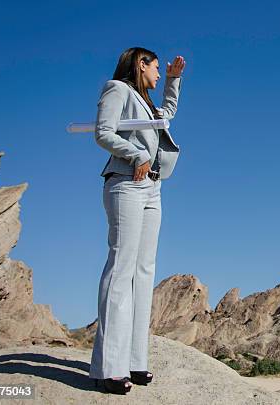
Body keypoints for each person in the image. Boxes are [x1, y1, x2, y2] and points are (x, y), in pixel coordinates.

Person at [88, 47, 186, 395]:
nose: (159, 74)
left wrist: (174, 81)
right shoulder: (117, 89)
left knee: (144, 272)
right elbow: (103, 132)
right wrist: (137, 153)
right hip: (126, 183)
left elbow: (165, 117)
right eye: (157, 68)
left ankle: (134, 360)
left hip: (152, 188)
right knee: (121, 269)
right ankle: (107, 367)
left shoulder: (146, 103)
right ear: (140, 65)